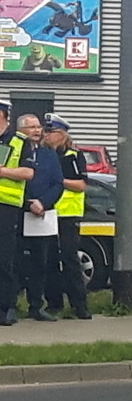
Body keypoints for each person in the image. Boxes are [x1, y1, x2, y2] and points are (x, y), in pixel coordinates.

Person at [41, 114, 91, 319]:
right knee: (49, 260)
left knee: (70, 260)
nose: (46, 135)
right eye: (45, 131)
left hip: (68, 215)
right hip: (47, 212)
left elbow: (81, 185)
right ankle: (54, 304)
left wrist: (59, 181)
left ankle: (80, 305)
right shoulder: (43, 154)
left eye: (50, 132)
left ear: (61, 135)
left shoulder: (73, 155)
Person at [16, 113, 63, 322]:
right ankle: (10, 304)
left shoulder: (49, 154)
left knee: (39, 263)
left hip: (41, 215)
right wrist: (29, 202)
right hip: (17, 213)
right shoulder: (14, 151)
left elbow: (58, 183)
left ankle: (37, 305)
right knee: (14, 261)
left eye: (38, 127)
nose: (37, 131)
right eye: (31, 128)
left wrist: (43, 202)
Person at [0, 98, 35, 326]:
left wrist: (2, 171)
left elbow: (28, 173)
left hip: (7, 207)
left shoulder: (19, 142)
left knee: (5, 259)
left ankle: (7, 307)